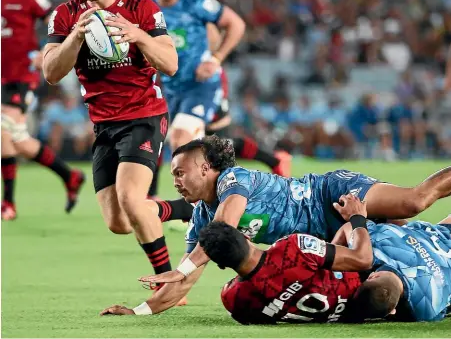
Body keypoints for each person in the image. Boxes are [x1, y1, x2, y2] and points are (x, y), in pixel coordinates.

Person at [101, 134, 451, 316]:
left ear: (206, 168)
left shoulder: (233, 179)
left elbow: (228, 222)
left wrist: (183, 268)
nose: (175, 181)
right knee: (408, 236)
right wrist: (139, 311)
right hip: (328, 235)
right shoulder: (201, 221)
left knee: (413, 203)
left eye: (180, 172)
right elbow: (184, 284)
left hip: (330, 195)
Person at [42, 0, 179, 283]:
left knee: (133, 200)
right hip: (104, 125)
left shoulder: (142, 8)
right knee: (118, 223)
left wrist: (137, 35)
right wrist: (76, 37)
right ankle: (190, 209)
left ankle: (169, 282)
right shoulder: (66, 13)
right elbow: (51, 73)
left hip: (144, 116)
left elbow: (171, 63)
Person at [100, 193, 370, 318]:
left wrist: (136, 312)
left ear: (219, 264)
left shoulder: (234, 298)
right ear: (247, 235)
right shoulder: (293, 247)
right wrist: (357, 218)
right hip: (364, 291)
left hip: (352, 312)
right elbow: (362, 259)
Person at [144, 0, 245, 200]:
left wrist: (216, 58)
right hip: (166, 87)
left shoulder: (198, 4)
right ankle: (156, 198)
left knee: (180, 137)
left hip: (200, 86)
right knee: (156, 138)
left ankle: (189, 204)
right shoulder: (145, 9)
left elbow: (235, 24)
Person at [1, 0, 85, 220]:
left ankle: (8, 203)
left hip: (19, 76)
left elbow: (55, 21)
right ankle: (69, 175)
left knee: (2, 128)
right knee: (18, 139)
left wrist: (46, 51)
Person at [335, 214, 451, 322]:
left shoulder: (427, 311)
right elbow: (352, 226)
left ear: (392, 311)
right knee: (384, 213)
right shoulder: (374, 248)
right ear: (372, 276)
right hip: (438, 235)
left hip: (440, 246)